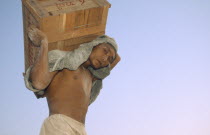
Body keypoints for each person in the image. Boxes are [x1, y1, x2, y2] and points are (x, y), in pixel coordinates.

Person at [24, 26, 121, 135]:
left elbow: (117, 60)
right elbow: (38, 82)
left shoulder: (90, 77)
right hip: (60, 125)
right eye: (105, 51)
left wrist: (110, 49)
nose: (104, 59)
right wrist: (44, 42)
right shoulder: (63, 59)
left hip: (81, 130)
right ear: (94, 45)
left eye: (109, 59)